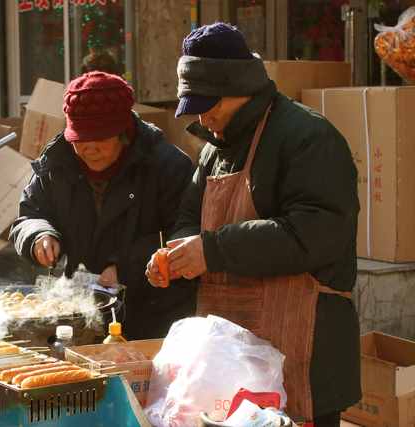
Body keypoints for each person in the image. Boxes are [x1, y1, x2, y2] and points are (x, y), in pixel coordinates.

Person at [145, 23, 361, 426]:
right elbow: (189, 219)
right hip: (230, 363)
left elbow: (315, 233)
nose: (204, 117)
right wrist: (175, 254)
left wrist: (211, 250)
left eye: (210, 104)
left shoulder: (308, 137)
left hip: (305, 351)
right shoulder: (214, 150)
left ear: (240, 87)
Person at [11, 71, 196, 340]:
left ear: (124, 132)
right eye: (80, 139)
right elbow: (29, 214)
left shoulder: (167, 166)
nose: (89, 149)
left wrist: (124, 268)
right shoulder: (57, 162)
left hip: (150, 320)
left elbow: (184, 235)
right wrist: (38, 235)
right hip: (76, 316)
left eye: (100, 139)